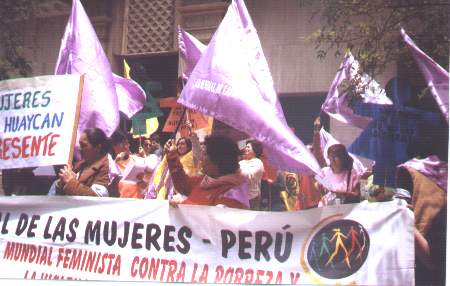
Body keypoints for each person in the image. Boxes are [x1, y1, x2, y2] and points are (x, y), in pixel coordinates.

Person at [165, 135, 248, 209]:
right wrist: (172, 155)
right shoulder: (204, 181)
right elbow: (182, 185)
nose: (201, 159)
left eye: (204, 154)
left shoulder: (233, 194)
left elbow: (214, 221)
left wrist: (184, 205)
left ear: (217, 160)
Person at [50, 128, 110, 197]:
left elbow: (97, 198)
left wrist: (70, 181)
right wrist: (61, 182)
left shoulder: (106, 167)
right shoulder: (81, 165)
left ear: (97, 147)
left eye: (84, 145)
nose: (80, 149)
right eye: (80, 145)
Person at [313, 120, 360, 206]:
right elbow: (316, 188)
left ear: (343, 157)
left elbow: (357, 196)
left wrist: (341, 195)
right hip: (326, 214)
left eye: (336, 155)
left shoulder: (351, 174)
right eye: (331, 155)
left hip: (344, 213)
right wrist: (316, 132)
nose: (333, 159)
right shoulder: (325, 172)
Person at [109, 130, 158, 198]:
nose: (128, 146)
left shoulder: (135, 159)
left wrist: (143, 180)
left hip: (137, 201)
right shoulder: (110, 163)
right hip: (119, 202)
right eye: (124, 143)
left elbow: (151, 171)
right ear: (115, 146)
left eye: (127, 143)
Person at [239, 140, 264, 210]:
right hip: (240, 197)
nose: (245, 149)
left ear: (255, 149)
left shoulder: (258, 163)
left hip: (252, 198)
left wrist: (236, 172)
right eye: (245, 147)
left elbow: (248, 177)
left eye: (248, 147)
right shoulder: (241, 162)